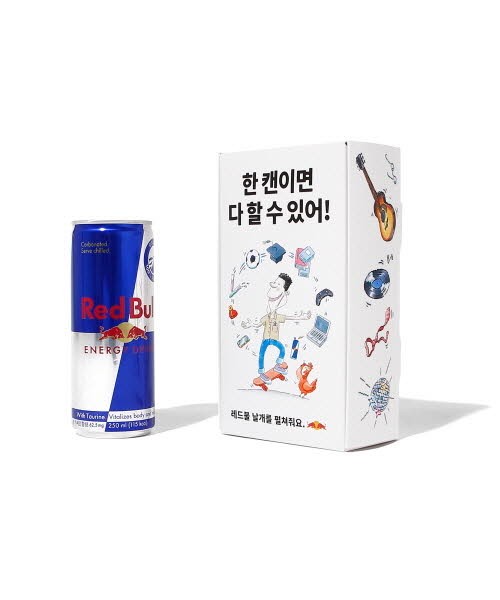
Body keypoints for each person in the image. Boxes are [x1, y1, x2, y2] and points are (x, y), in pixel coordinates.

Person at [243, 273, 311, 383]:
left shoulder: (277, 316)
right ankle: (262, 373)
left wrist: (302, 317)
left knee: (282, 349)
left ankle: (278, 365)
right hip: (266, 340)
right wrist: (248, 325)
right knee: (261, 355)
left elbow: (289, 317)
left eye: (278, 285)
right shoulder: (266, 317)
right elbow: (257, 324)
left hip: (274, 339)